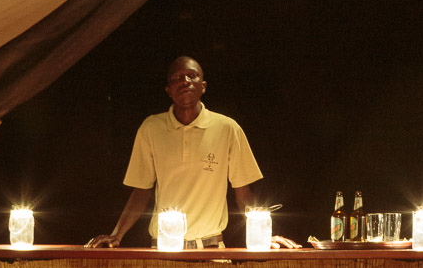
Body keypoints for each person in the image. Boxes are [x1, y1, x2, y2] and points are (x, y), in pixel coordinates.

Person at [88, 56, 296, 249]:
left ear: (203, 86)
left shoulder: (227, 128)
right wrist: (117, 234)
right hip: (165, 248)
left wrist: (262, 234)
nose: (185, 81)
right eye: (177, 78)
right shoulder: (151, 128)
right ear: (168, 89)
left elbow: (242, 193)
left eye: (192, 76)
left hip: (211, 248)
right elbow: (141, 190)